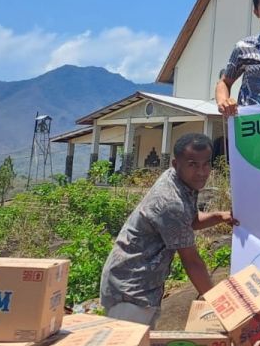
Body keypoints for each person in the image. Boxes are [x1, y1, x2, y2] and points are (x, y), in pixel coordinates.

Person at [99, 133, 238, 326]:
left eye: (206, 164)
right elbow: (192, 262)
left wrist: (219, 216)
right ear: (175, 163)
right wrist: (222, 307)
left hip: (144, 287)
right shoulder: (170, 202)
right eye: (192, 165)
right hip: (131, 290)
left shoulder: (180, 182)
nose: (201, 172)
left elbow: (189, 221)